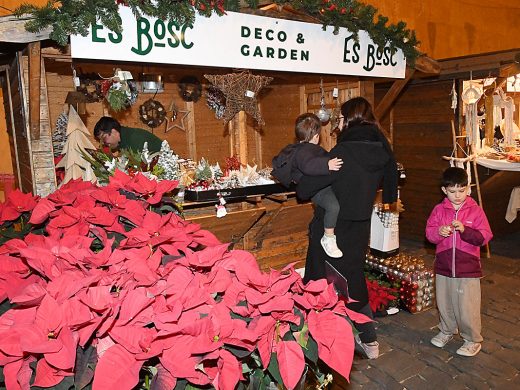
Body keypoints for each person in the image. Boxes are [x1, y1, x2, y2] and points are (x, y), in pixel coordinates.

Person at [299, 96, 399, 360]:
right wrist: (388, 197)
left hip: (330, 228)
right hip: (359, 225)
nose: (339, 123)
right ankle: (370, 340)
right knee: (353, 281)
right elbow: (391, 177)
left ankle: (313, 342)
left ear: (350, 119)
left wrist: (300, 181)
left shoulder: (344, 151)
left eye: (342, 118)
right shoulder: (381, 148)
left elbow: (311, 184)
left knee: (316, 280)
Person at [426, 167, 492, 357]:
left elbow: (485, 237)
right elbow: (429, 233)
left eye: (461, 190)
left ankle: (472, 339)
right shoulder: (439, 210)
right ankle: (447, 330)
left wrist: (465, 231)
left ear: (468, 189)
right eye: (452, 191)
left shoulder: (475, 211)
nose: (457, 195)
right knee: (444, 302)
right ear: (444, 190)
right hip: (444, 266)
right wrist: (439, 232)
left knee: (467, 306)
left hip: (467, 268)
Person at [291, 113, 343, 258]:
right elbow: (309, 166)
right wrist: (327, 165)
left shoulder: (310, 149)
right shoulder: (302, 151)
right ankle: (329, 237)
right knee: (333, 207)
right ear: (316, 136)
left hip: (323, 186)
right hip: (318, 190)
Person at [93, 116, 163, 153]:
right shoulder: (122, 141)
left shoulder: (134, 138)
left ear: (114, 131)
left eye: (104, 138)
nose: (104, 143)